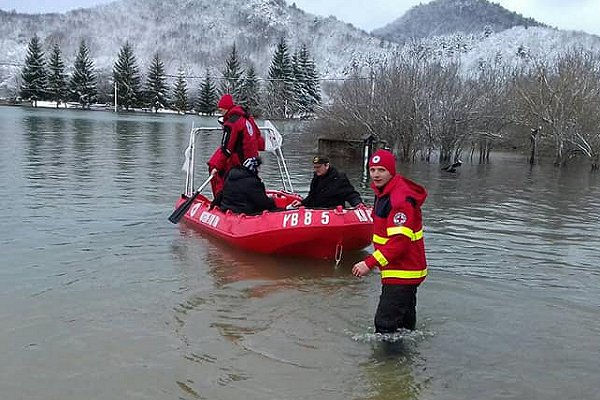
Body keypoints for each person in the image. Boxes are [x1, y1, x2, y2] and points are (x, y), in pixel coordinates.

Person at [351, 149, 428, 333]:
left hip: (403, 270)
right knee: (404, 324)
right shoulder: (385, 192)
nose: (376, 175)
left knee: (384, 324)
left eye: (381, 170)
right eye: (373, 170)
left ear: (391, 171)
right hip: (403, 268)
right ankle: (407, 357)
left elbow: (399, 244)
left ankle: (387, 361)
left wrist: (369, 263)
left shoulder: (399, 199)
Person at [207, 94, 264, 197]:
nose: (221, 113)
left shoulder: (231, 123)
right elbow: (259, 139)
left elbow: (226, 149)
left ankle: (220, 199)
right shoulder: (248, 119)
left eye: (221, 110)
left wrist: (216, 167)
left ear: (226, 109)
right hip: (252, 161)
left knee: (217, 169)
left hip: (239, 162)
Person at [289, 155, 363, 209]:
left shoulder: (339, 178)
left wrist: (357, 204)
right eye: (315, 167)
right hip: (316, 211)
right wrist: (302, 202)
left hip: (332, 212)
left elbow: (350, 194)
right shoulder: (316, 178)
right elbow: (312, 195)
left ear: (327, 166)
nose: (316, 170)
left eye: (318, 167)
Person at [212, 157, 279, 215]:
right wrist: (273, 202)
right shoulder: (252, 182)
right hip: (244, 212)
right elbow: (263, 203)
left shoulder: (230, 176)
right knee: (275, 210)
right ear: (255, 169)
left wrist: (213, 205)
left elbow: (222, 193)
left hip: (227, 208)